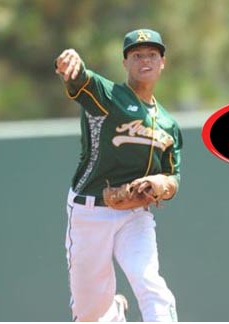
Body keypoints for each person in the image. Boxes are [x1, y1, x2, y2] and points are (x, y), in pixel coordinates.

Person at [54, 28, 182, 322]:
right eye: (136, 55)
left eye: (152, 54)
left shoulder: (168, 124)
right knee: (89, 314)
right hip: (89, 213)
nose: (145, 60)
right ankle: (113, 311)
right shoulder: (108, 97)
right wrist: (68, 63)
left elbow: (174, 177)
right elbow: (80, 79)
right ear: (125, 63)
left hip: (135, 214)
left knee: (148, 281)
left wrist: (162, 183)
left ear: (163, 62)